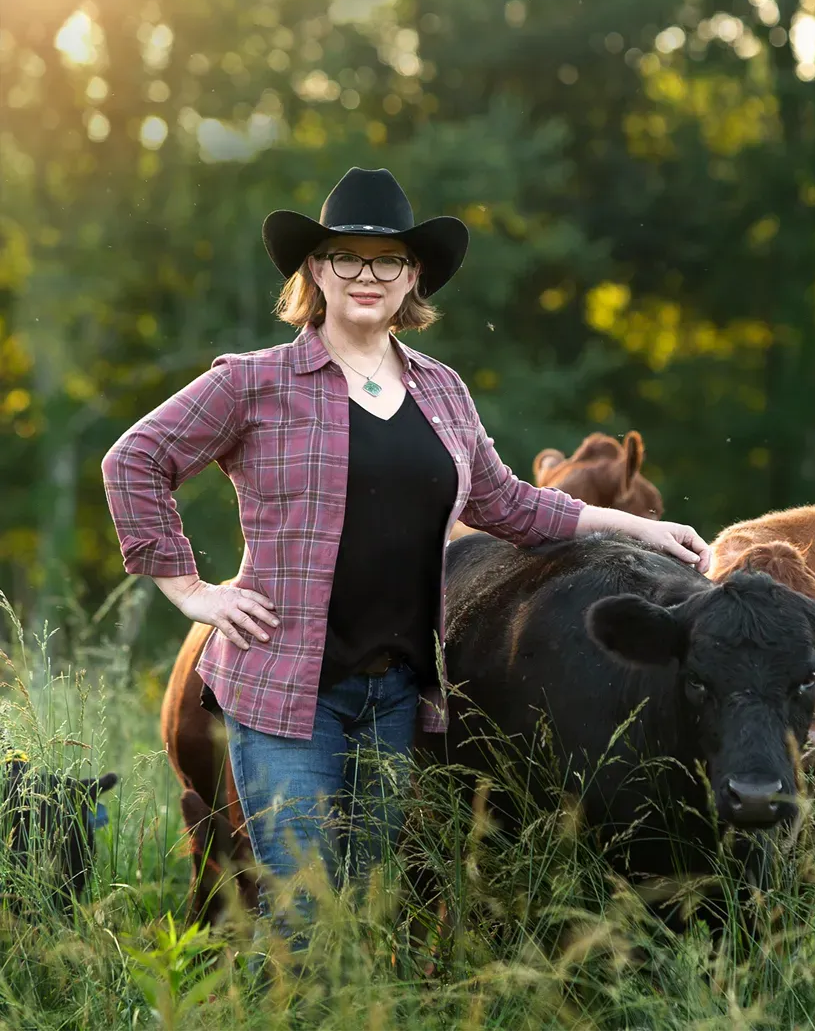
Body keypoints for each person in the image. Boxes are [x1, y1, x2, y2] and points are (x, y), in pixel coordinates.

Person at [102, 165, 711, 939]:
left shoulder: (441, 391)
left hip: (393, 701)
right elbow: (134, 459)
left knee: (359, 927)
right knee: (304, 924)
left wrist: (636, 528)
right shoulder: (254, 383)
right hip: (285, 694)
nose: (365, 274)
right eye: (344, 257)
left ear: (411, 276)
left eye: (386, 259)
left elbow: (511, 504)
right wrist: (188, 589)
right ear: (315, 271)